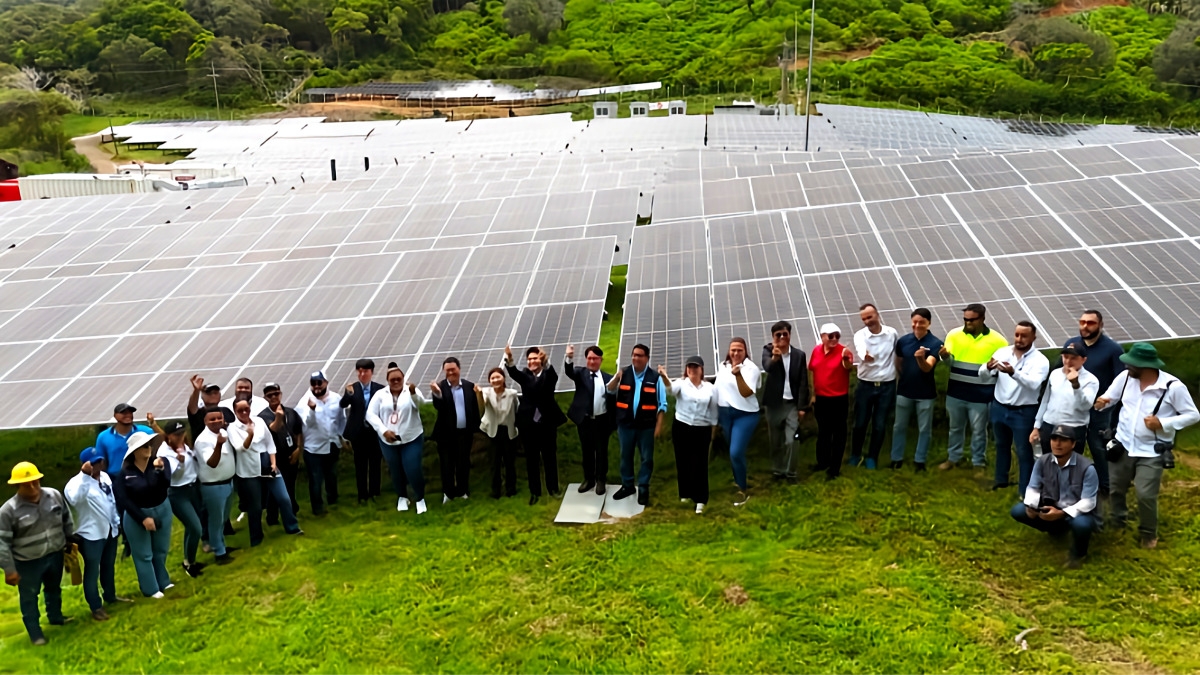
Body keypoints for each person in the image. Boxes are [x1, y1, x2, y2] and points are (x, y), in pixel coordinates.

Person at [1094, 342, 1200, 549]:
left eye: (1132, 364)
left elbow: (1193, 415)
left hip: (1152, 450)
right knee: (1116, 489)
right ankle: (1118, 523)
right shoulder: (1125, 379)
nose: (1127, 367)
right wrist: (1102, 401)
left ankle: (1149, 533)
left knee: (1145, 494)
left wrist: (1163, 423)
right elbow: (1110, 397)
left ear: (1146, 366)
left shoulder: (1173, 387)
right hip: (1123, 444)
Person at [0, 461, 74, 645]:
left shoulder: (54, 495)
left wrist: (69, 541)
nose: (33, 487)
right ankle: (35, 633)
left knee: (54, 589)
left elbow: (67, 518)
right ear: (17, 486)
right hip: (28, 562)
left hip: (54, 554)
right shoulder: (8, 511)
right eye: (27, 484)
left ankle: (56, 617)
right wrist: (9, 570)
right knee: (29, 597)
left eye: (36, 482)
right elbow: (2, 543)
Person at [1010, 424, 1099, 568]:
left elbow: (1089, 502)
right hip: (1052, 506)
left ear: (1073, 444)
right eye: (1054, 439)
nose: (1057, 444)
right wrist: (1031, 506)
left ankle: (1079, 554)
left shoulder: (1087, 468)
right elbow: (1033, 487)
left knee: (1082, 524)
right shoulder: (1042, 461)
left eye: (1063, 440)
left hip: (1075, 512)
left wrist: (1062, 513)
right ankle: (1055, 530)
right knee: (1018, 511)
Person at [939, 303, 1009, 471]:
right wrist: (945, 357)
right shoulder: (954, 335)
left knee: (978, 431)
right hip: (956, 392)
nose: (968, 323)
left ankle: (978, 462)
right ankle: (953, 457)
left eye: (972, 320)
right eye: (965, 320)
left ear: (982, 319)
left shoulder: (998, 340)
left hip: (981, 395)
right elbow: (950, 362)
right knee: (955, 428)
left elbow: (1001, 369)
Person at [983, 321, 1049, 495]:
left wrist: (1014, 373)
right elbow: (983, 374)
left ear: (1034, 337)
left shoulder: (1040, 361)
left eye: (1024, 336)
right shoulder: (1003, 352)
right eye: (1017, 335)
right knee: (1001, 445)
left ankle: (1025, 489)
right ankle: (1000, 479)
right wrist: (987, 368)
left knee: (1023, 451)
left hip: (1024, 412)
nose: (1019, 339)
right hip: (999, 406)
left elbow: (1034, 385)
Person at [1068, 310, 1127, 497]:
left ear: (1101, 325)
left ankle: (1106, 485)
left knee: (1098, 446)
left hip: (1100, 409)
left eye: (1091, 323)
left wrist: (1112, 409)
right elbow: (1060, 369)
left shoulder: (1113, 349)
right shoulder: (1071, 345)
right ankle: (1073, 482)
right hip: (1075, 405)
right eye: (1082, 322)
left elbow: (1122, 381)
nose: (1085, 326)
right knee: (1073, 444)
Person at [227, 397, 301, 544]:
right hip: (249, 470)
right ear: (235, 412)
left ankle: (292, 527)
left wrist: (274, 463)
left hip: (267, 464)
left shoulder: (259, 421)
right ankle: (256, 538)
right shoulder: (232, 428)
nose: (244, 412)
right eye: (240, 410)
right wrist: (250, 435)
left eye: (246, 409)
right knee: (255, 506)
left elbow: (270, 443)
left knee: (284, 498)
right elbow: (240, 448)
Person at [64, 448, 124, 620]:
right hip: (91, 534)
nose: (99, 465)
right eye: (94, 462)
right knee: (92, 570)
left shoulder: (105, 477)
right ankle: (95, 606)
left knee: (108, 565)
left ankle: (110, 595)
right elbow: (75, 500)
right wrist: (84, 476)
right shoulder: (74, 484)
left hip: (110, 530)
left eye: (100, 461)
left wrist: (117, 523)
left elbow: (110, 501)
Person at [112, 431, 173, 598]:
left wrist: (160, 471)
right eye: (144, 446)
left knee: (160, 549)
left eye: (150, 445)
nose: (149, 448)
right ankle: (150, 588)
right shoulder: (124, 474)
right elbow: (123, 499)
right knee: (144, 554)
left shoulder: (160, 463)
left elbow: (166, 483)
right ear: (135, 451)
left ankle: (163, 581)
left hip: (162, 508)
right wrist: (142, 518)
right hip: (137, 514)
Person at [505, 345, 567, 505]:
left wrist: (546, 364)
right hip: (529, 424)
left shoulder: (548, 374)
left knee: (549, 457)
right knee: (531, 459)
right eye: (530, 359)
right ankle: (535, 492)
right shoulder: (525, 376)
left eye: (535, 358)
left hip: (547, 423)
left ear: (541, 360)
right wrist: (510, 360)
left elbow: (552, 377)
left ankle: (553, 488)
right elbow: (514, 373)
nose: (532, 361)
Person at [607, 343, 667, 506]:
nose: (635, 358)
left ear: (647, 358)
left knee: (646, 458)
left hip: (646, 426)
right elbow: (610, 390)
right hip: (625, 425)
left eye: (639, 355)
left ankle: (643, 487)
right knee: (625, 456)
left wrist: (659, 426)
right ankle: (627, 486)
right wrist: (617, 378)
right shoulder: (623, 373)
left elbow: (662, 404)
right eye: (634, 355)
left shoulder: (655, 378)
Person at [367, 362, 429, 515]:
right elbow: (370, 414)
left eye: (398, 379)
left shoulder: (411, 390)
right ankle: (402, 496)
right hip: (388, 440)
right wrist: (383, 431)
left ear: (403, 378)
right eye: (392, 380)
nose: (396, 382)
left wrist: (414, 393)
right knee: (395, 469)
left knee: (412, 468)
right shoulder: (381, 395)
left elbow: (421, 406)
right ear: (388, 380)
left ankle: (420, 497)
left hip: (411, 437)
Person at [659, 356, 718, 514]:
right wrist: (665, 378)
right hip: (682, 426)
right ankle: (685, 493)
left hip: (702, 428)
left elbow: (713, 411)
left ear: (701, 370)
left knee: (700, 464)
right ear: (686, 369)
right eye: (689, 367)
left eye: (695, 367)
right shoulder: (682, 384)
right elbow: (670, 390)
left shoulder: (710, 388)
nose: (692, 370)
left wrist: (713, 430)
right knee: (682, 460)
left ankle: (700, 499)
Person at [890, 308, 942, 471]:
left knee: (924, 428)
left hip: (925, 394)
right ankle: (896, 458)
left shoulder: (935, 343)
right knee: (899, 426)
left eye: (921, 322)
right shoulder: (903, 341)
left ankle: (920, 460)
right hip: (904, 391)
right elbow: (898, 362)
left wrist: (920, 359)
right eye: (915, 322)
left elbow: (928, 367)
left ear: (929, 323)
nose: (917, 325)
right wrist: (903, 377)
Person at [849, 303, 899, 470]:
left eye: (869, 317)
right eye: (864, 319)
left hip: (887, 385)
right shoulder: (860, 335)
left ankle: (872, 457)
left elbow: (896, 354)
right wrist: (865, 356)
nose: (867, 321)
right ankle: (855, 454)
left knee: (879, 424)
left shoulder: (891, 333)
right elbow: (860, 349)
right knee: (860, 422)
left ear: (877, 315)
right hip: (866, 385)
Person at [760, 321, 809, 482]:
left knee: (792, 439)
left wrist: (802, 407)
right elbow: (767, 367)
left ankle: (791, 473)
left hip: (792, 404)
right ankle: (778, 470)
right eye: (778, 335)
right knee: (776, 441)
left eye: (785, 334)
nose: (782, 337)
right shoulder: (767, 351)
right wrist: (775, 357)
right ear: (773, 337)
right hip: (774, 403)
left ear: (789, 335)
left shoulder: (799, 355)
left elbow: (803, 381)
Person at [155, 421, 205, 578]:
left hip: (193, 488)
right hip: (178, 492)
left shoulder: (185, 445)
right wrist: (181, 463)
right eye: (176, 435)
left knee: (192, 527)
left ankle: (189, 560)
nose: (180, 437)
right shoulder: (164, 452)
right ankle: (189, 563)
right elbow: (171, 474)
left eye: (182, 433)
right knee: (196, 528)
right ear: (168, 436)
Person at [564, 344, 615, 494]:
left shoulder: (607, 378)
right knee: (587, 451)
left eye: (595, 358)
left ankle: (601, 480)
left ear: (601, 360)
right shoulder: (580, 373)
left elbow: (613, 398)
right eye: (589, 358)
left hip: (601, 421)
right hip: (584, 421)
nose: (592, 361)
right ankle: (588, 479)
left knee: (601, 451)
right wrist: (569, 357)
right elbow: (569, 371)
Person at [1032, 341, 1099, 457]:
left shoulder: (1091, 380)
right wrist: (1037, 426)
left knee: (1071, 467)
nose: (1068, 361)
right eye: (1065, 357)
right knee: (1047, 464)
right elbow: (1045, 400)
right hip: (1050, 426)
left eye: (1073, 358)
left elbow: (1084, 406)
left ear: (1083, 360)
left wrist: (1076, 385)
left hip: (1073, 428)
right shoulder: (1055, 374)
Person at [715, 338, 760, 506]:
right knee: (733, 452)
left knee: (735, 452)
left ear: (745, 351)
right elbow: (718, 389)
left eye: (739, 350)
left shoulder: (751, 369)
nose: (735, 353)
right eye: (733, 350)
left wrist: (738, 374)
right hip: (725, 414)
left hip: (745, 414)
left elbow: (747, 393)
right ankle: (738, 480)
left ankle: (743, 489)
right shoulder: (722, 366)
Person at [430, 357, 481, 503]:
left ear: (459, 369)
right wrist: (437, 394)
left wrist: (475, 427)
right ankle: (448, 493)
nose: (451, 372)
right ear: (444, 371)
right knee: (447, 465)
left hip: (464, 433)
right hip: (445, 435)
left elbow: (474, 408)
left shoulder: (469, 386)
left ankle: (463, 490)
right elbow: (438, 407)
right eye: (448, 370)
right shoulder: (440, 387)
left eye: (453, 369)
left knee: (463, 463)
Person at [297, 371, 347, 516]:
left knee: (331, 474)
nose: (317, 386)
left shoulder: (336, 398)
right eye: (313, 383)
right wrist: (312, 410)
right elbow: (308, 423)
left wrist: (343, 437)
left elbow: (341, 419)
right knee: (316, 479)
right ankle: (317, 508)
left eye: (319, 382)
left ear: (326, 382)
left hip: (331, 444)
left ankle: (333, 500)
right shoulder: (304, 402)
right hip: (313, 448)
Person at [809, 324, 854, 480]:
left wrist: (846, 359)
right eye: (831, 336)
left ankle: (834, 469)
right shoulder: (816, 351)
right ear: (823, 336)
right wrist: (813, 394)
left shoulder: (844, 352)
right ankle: (822, 462)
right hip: (821, 398)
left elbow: (848, 367)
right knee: (823, 433)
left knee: (839, 434)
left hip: (838, 400)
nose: (834, 339)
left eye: (837, 336)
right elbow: (813, 371)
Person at [194, 407, 237, 564]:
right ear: (205, 421)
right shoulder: (203, 440)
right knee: (215, 520)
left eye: (219, 418)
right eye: (212, 419)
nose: (216, 421)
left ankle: (221, 545)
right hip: (214, 486)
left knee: (223, 519)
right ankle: (219, 553)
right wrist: (218, 445)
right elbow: (212, 463)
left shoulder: (223, 433)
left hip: (228, 483)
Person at [339, 359, 385, 505]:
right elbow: (343, 404)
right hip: (358, 433)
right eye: (359, 371)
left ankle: (374, 492)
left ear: (371, 372)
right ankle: (362, 494)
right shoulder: (353, 388)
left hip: (374, 432)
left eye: (365, 371)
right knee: (360, 464)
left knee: (375, 463)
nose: (362, 374)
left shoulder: (380, 389)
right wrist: (348, 394)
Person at [260, 383, 302, 525]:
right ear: (265, 397)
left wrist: (298, 450)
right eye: (269, 395)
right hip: (275, 459)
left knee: (290, 486)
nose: (273, 397)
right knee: (274, 491)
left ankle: (291, 512)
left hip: (292, 455)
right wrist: (278, 417)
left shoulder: (291, 412)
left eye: (276, 394)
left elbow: (298, 431)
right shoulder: (263, 416)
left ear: (281, 394)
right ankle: (272, 518)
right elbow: (273, 429)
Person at [476, 367, 520, 499]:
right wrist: (478, 394)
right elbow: (481, 407)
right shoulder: (486, 392)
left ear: (504, 378)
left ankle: (511, 489)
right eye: (492, 378)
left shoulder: (512, 394)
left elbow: (517, 409)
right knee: (494, 463)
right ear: (489, 380)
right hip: (492, 431)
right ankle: (495, 491)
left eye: (498, 377)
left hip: (508, 430)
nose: (495, 380)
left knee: (509, 462)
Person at [94, 403, 154, 477]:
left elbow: (156, 451)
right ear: (115, 416)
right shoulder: (103, 437)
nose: (128, 415)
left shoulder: (146, 432)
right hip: (115, 477)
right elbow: (101, 462)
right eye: (123, 413)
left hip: (141, 477)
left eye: (130, 412)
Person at [186, 376, 234, 440]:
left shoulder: (226, 411)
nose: (213, 395)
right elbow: (192, 407)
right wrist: (196, 391)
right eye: (209, 393)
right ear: (202, 395)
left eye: (215, 393)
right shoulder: (198, 413)